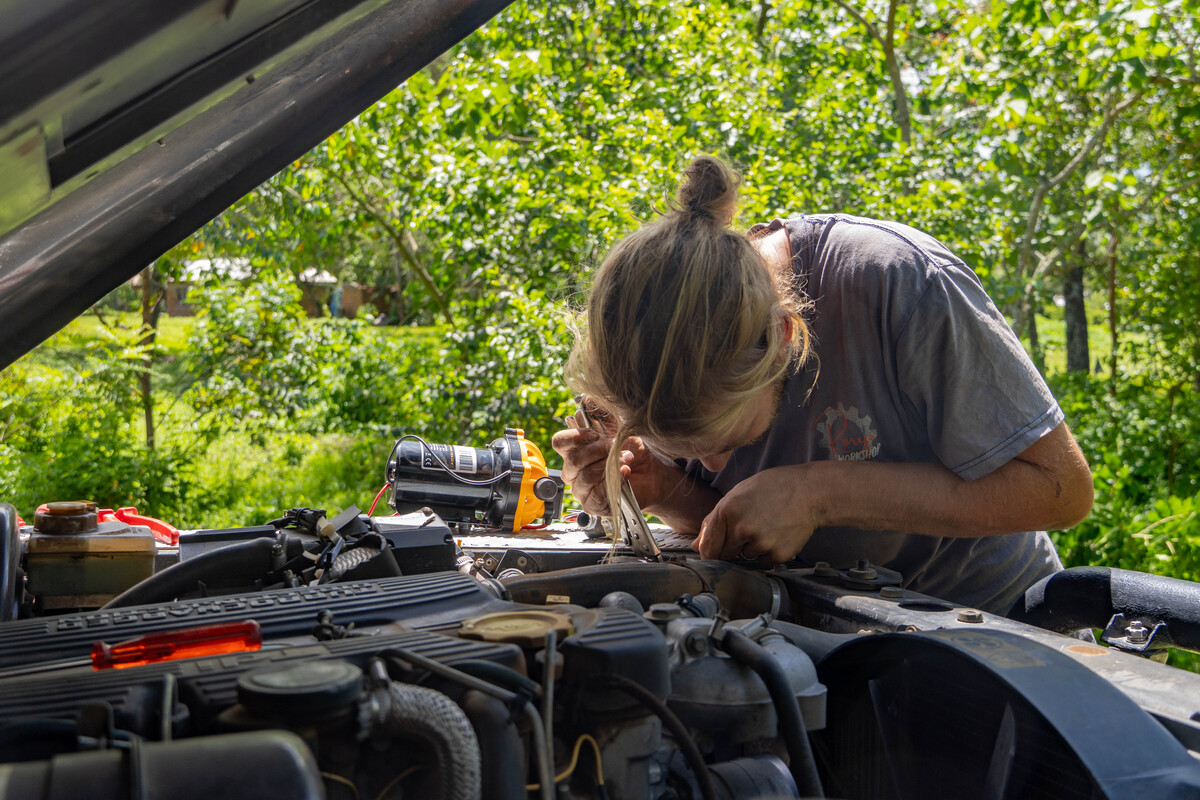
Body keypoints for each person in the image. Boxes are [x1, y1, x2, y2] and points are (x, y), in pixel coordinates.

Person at [552, 155, 1094, 614]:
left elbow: (1061, 490)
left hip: (992, 623)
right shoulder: (653, 347)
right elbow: (754, 529)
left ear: (785, 336)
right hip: (824, 630)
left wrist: (818, 493)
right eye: (689, 452)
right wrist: (658, 487)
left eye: (728, 443)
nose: (716, 467)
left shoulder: (895, 283)